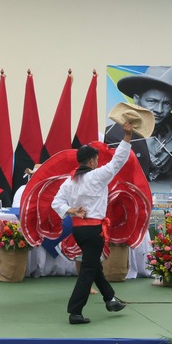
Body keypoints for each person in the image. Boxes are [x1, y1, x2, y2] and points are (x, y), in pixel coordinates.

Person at [51, 122, 133, 325]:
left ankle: (110, 299)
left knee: (93, 265)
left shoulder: (70, 181)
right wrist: (127, 137)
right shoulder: (96, 176)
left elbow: (56, 203)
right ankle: (75, 311)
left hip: (79, 230)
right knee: (89, 269)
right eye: (96, 158)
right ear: (92, 160)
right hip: (94, 229)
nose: (98, 161)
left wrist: (72, 210)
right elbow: (118, 162)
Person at [104, 66, 172, 186]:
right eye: (152, 101)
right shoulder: (114, 134)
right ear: (137, 99)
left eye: (167, 103)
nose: (159, 110)